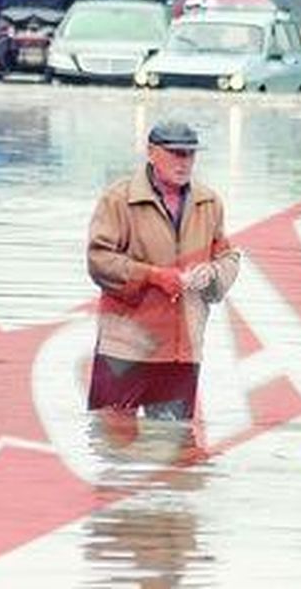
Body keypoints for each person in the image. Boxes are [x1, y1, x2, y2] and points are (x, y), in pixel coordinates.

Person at [87, 120, 241, 421]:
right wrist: (153, 276)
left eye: (189, 154)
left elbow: (229, 258)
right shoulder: (118, 199)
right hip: (124, 349)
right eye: (174, 153)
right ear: (151, 153)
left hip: (182, 351)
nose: (183, 162)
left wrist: (212, 274)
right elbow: (98, 260)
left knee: (176, 448)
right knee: (111, 442)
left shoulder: (209, 202)